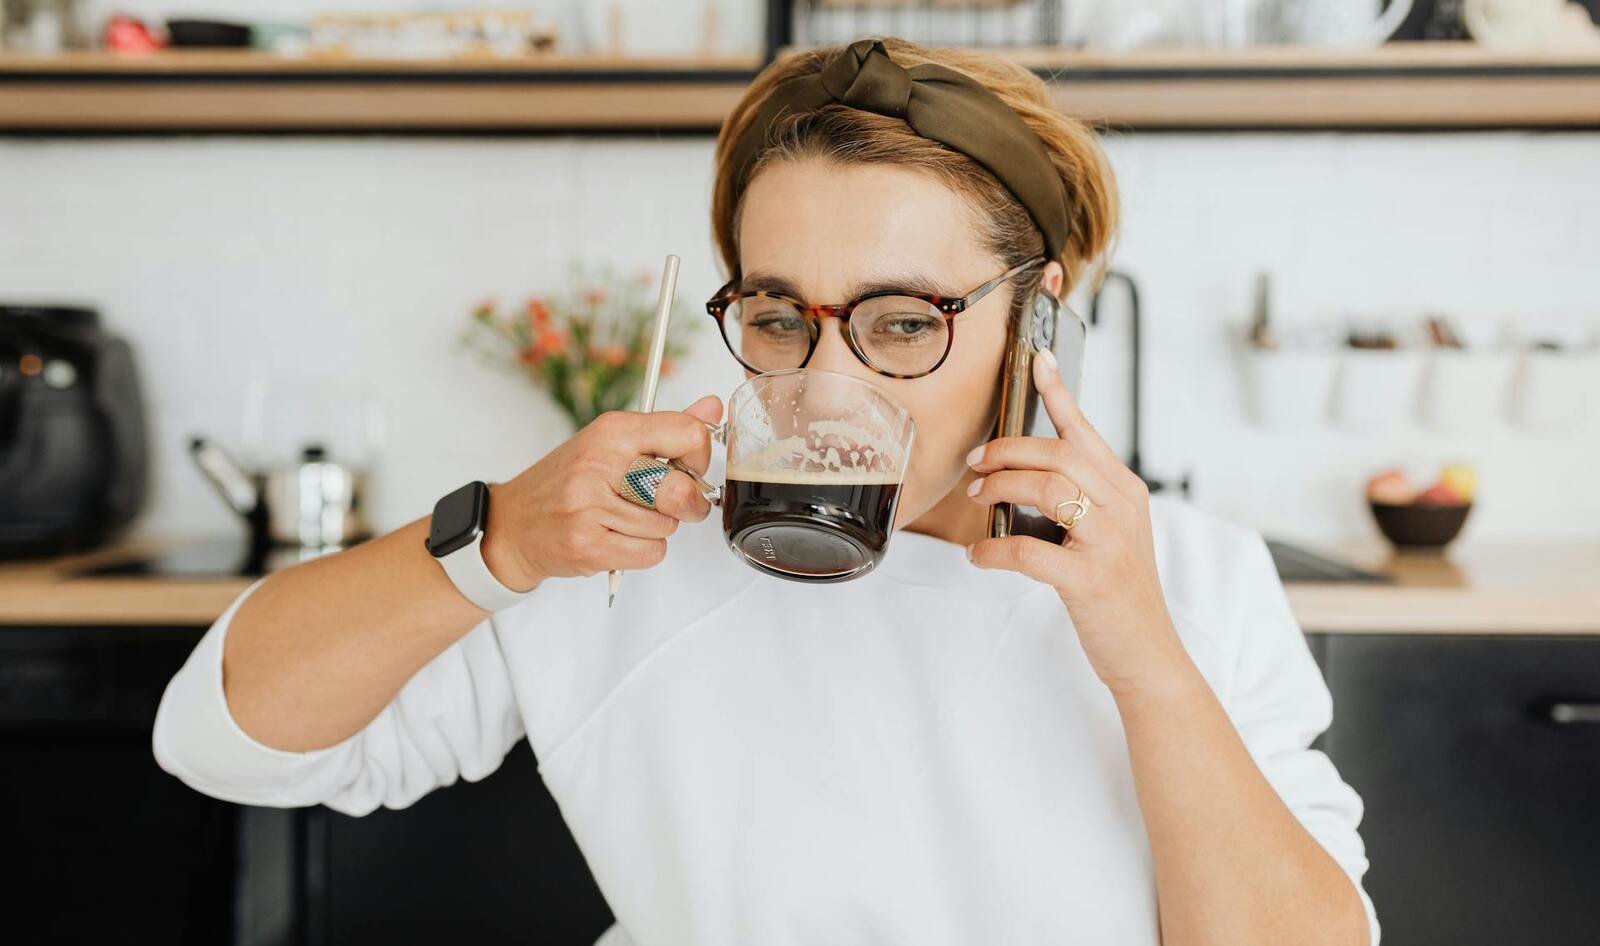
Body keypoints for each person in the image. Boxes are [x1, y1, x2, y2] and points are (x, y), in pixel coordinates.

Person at [153, 36, 1377, 946]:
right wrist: (499, 542)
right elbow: (221, 742)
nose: (829, 385)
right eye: (783, 316)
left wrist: (1142, 653)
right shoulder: (619, 556)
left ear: (1041, 310)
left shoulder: (1195, 581)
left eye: (904, 322)